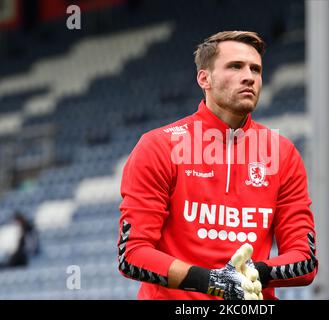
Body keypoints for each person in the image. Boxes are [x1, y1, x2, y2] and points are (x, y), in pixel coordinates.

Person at [117, 31, 318, 300]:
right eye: (235, 66)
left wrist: (253, 273)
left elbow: (304, 260)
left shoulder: (282, 153)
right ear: (204, 78)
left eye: (255, 69)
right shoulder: (158, 146)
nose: (249, 76)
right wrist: (213, 282)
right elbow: (132, 254)